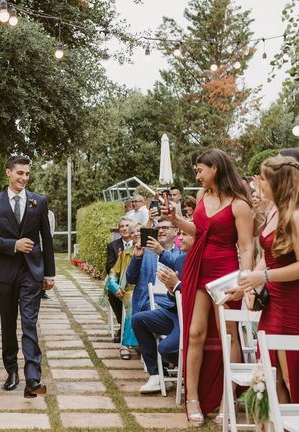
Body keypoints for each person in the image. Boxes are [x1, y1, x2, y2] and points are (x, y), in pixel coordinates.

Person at [163, 148, 253, 426]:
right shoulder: (203, 197)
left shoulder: (239, 204)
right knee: (195, 332)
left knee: (229, 336)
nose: (197, 175)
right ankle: (193, 398)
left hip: (225, 273)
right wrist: (176, 220)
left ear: (214, 168)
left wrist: (245, 280)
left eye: (200, 170)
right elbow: (200, 231)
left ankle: (229, 397)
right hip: (198, 267)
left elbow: (247, 246)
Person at [0, 156, 55, 399]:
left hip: (31, 271)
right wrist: (14, 244)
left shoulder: (39, 201)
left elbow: (46, 238)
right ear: (8, 173)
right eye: (19, 173)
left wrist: (49, 273)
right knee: (8, 324)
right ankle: (11, 371)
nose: (24, 178)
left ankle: (33, 377)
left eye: (27, 174)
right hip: (4, 272)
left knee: (30, 323)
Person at [239, 155, 299, 403]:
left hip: (292, 306)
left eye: (262, 179)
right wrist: (245, 282)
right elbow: (271, 257)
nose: (257, 183)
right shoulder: (273, 212)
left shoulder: (295, 217)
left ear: (279, 183)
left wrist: (263, 275)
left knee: (289, 376)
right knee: (271, 376)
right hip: (273, 303)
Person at [132, 227, 194, 393]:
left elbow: (194, 293)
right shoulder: (181, 259)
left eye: (184, 234)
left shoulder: (202, 259)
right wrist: (171, 289)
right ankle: (157, 375)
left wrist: (177, 285)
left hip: (191, 315)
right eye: (180, 234)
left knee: (166, 348)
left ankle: (191, 374)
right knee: (138, 320)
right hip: (173, 311)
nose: (180, 238)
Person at [107, 222, 140, 359]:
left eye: (140, 231)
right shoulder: (125, 254)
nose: (137, 234)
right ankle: (126, 344)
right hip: (130, 291)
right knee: (133, 301)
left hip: (151, 291)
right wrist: (115, 287)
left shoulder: (155, 251)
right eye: (134, 233)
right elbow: (112, 275)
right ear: (131, 237)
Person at [105, 217, 134, 342]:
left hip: (134, 283)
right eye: (122, 226)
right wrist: (119, 259)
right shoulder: (113, 245)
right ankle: (122, 324)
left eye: (127, 226)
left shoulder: (138, 243)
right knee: (113, 294)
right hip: (119, 281)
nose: (124, 228)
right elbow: (108, 267)